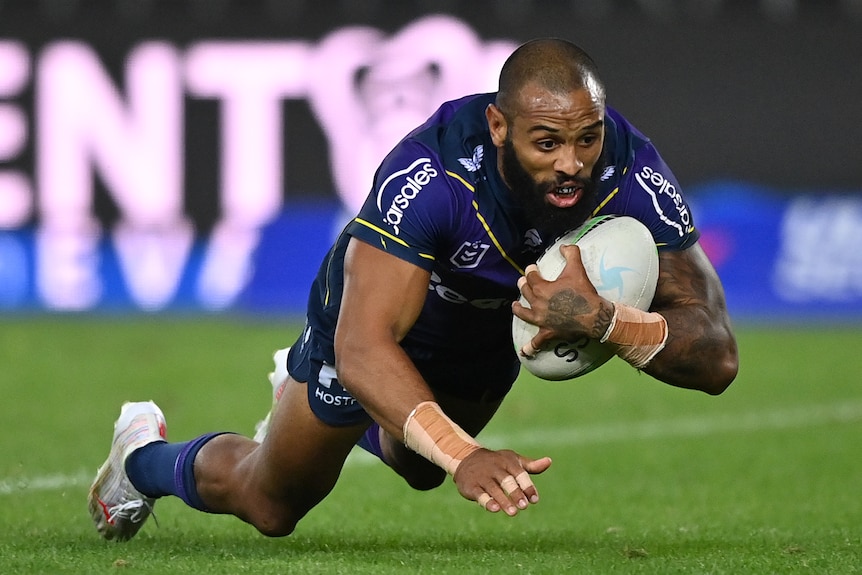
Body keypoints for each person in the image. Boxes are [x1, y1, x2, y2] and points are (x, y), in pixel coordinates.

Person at [88, 38, 738, 541]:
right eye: (548, 143)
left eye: (586, 138)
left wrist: (605, 321)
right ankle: (140, 455)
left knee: (419, 464)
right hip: (377, 320)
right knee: (272, 504)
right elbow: (366, 344)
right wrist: (467, 455)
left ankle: (386, 414)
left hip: (485, 327)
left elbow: (717, 358)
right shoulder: (429, 176)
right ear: (499, 127)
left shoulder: (629, 167)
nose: (572, 163)